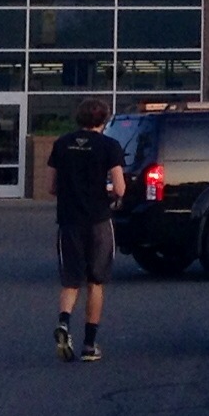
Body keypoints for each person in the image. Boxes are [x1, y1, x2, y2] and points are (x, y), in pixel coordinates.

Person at [49, 96, 127, 364]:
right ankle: (90, 345)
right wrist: (108, 193)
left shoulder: (62, 144)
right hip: (98, 221)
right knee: (96, 281)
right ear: (103, 120)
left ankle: (64, 322)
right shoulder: (109, 146)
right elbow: (119, 188)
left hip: (69, 221)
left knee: (71, 280)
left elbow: (53, 187)